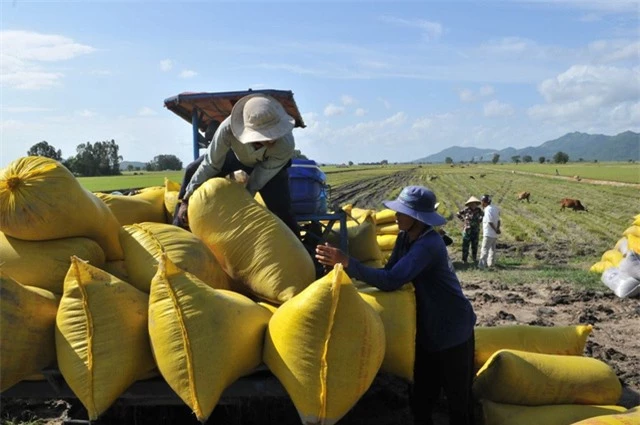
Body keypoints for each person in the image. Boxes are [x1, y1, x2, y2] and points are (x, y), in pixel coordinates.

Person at [315, 186, 477, 425]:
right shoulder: (404, 238)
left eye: (402, 212)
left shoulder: (428, 245)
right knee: (421, 400)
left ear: (417, 218)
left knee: (457, 402)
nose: (396, 216)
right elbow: (389, 271)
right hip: (428, 330)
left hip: (453, 331)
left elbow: (392, 280)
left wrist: (348, 261)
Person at [174, 93, 299, 235]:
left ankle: (303, 250)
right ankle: (179, 227)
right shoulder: (227, 129)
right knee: (192, 169)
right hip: (235, 156)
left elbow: (257, 180)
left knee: (281, 208)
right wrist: (186, 199)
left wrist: (242, 202)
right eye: (269, 134)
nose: (274, 138)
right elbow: (211, 164)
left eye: (275, 132)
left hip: (267, 165)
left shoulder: (285, 144)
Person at [456, 196, 484, 264]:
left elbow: (483, 216)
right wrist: (464, 220)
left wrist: (479, 220)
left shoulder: (479, 210)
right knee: (465, 245)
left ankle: (474, 258)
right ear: (470, 204)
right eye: (472, 203)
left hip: (475, 230)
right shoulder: (466, 210)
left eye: (474, 203)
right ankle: (464, 259)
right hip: (467, 230)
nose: (473, 204)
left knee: (475, 245)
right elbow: (458, 214)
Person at [477, 194, 501, 269]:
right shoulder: (495, 208)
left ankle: (481, 266)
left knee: (484, 249)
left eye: (482, 201)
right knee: (492, 250)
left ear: (484, 202)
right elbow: (498, 220)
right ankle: (491, 264)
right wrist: (497, 229)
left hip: (488, 233)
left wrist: (495, 229)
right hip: (494, 235)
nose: (481, 203)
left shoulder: (487, 209)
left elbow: (489, 222)